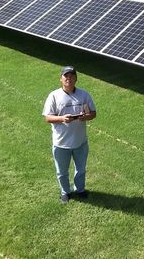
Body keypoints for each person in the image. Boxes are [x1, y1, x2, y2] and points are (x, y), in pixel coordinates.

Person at [42, 66, 97, 204]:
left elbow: (93, 113)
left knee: (81, 169)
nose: (69, 78)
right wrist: (62, 119)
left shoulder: (84, 95)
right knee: (62, 171)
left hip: (80, 142)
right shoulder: (53, 96)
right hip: (61, 143)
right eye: (66, 76)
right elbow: (47, 118)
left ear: (76, 79)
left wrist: (86, 117)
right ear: (61, 79)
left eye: (72, 76)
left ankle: (80, 189)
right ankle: (65, 192)